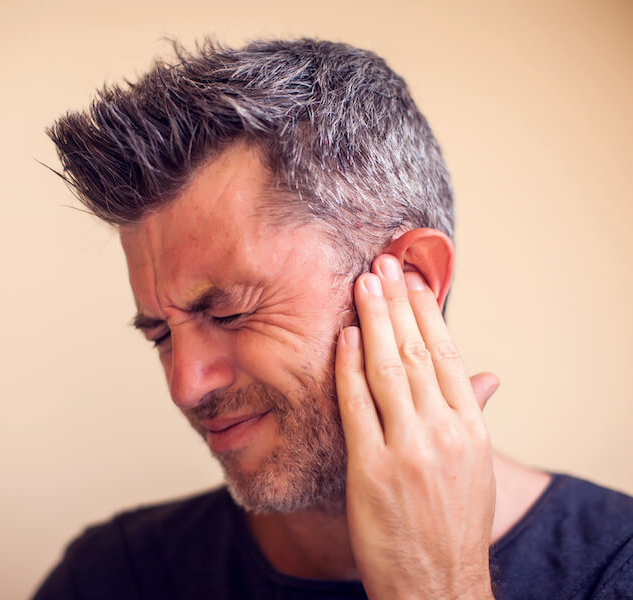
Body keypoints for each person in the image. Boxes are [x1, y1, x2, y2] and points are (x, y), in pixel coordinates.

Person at [33, 39, 633, 599]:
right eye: (160, 334)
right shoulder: (113, 578)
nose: (185, 385)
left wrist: (439, 585)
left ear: (413, 278)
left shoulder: (616, 570)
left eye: (230, 311)